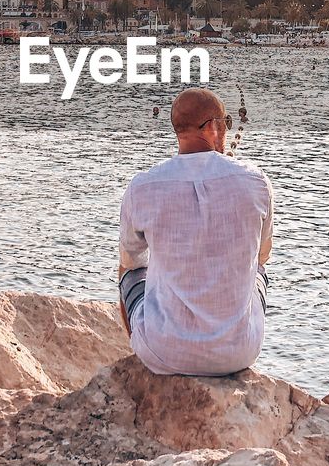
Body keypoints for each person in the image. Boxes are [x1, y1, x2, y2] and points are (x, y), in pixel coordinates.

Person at [117, 86, 273, 377]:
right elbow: (263, 255)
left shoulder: (143, 186)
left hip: (164, 352)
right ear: (213, 127)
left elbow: (130, 262)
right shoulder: (255, 181)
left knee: (128, 271)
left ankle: (143, 353)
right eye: (225, 123)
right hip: (239, 352)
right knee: (259, 271)